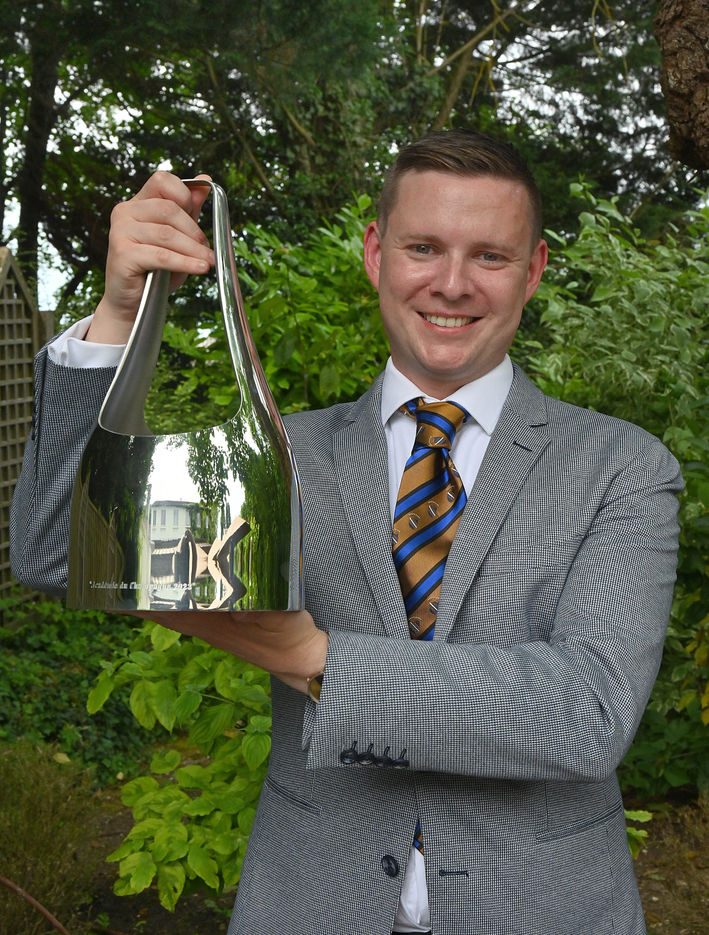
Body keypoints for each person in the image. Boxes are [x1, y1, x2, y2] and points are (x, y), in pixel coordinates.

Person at [10, 130, 682, 935]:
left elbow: (587, 715)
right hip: (312, 906)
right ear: (374, 253)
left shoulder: (621, 466)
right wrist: (121, 314)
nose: (452, 283)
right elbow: (59, 552)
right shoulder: (276, 455)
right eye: (422, 247)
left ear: (532, 269)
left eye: (489, 256)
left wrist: (313, 657)